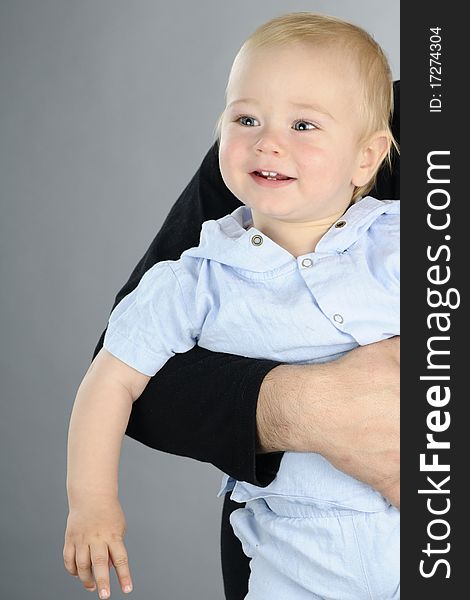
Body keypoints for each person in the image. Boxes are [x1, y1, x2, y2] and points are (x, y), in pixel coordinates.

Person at [64, 12, 400, 600]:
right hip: (296, 556)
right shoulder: (193, 278)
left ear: (366, 159)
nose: (268, 140)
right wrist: (93, 503)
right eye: (246, 118)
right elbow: (109, 379)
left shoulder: (394, 243)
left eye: (303, 125)